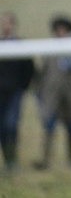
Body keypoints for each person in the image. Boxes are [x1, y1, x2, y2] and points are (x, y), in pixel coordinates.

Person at [33, 15, 71, 170]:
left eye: (63, 29)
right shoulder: (50, 48)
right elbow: (43, 71)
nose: (60, 32)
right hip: (52, 95)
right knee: (49, 126)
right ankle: (45, 160)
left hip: (69, 95)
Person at [0, 12, 35, 171]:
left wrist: (23, 87)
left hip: (15, 91)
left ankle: (12, 160)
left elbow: (29, 69)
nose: (5, 26)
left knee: (11, 124)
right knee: (2, 126)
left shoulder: (21, 45)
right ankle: (7, 161)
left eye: (7, 22)